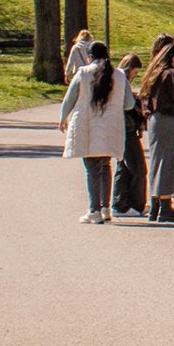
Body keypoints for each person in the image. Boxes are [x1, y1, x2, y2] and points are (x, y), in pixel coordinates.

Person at [58, 45, 122, 223]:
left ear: (89, 57)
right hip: (111, 125)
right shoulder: (118, 75)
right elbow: (128, 103)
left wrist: (63, 118)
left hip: (88, 124)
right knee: (105, 165)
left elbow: (70, 98)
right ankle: (105, 207)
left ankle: (94, 210)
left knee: (92, 168)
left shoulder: (83, 73)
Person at [139, 42, 174, 223]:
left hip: (155, 121)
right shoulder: (170, 75)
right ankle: (165, 205)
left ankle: (155, 205)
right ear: (173, 58)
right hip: (169, 120)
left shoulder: (153, 74)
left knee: (156, 161)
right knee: (169, 161)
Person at [111, 41, 160, 217]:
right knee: (137, 168)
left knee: (123, 167)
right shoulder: (122, 79)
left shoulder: (115, 78)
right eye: (136, 72)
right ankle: (133, 205)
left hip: (120, 129)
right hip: (126, 129)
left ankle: (121, 203)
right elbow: (128, 104)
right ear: (130, 68)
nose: (135, 75)